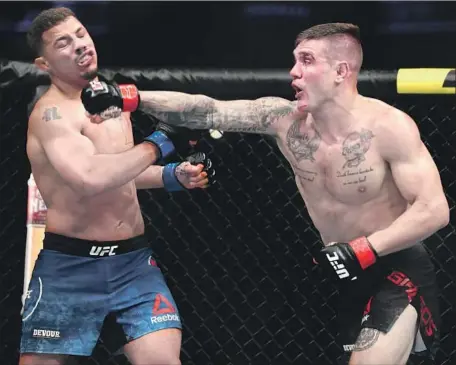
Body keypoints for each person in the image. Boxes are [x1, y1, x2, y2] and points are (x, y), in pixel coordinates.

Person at [83, 23, 450, 365]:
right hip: (339, 271)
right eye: (294, 61)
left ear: (342, 71)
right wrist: (129, 96)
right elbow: (207, 109)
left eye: (307, 61)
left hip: (396, 267)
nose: (294, 72)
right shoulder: (284, 121)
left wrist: (364, 249)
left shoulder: (389, 127)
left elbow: (434, 210)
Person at [21, 7, 216, 365]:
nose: (79, 45)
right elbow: (90, 178)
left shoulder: (112, 102)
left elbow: (118, 171)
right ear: (43, 64)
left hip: (134, 264)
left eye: (81, 34)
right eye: (63, 43)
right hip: (70, 268)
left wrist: (171, 175)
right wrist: (160, 142)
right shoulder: (52, 115)